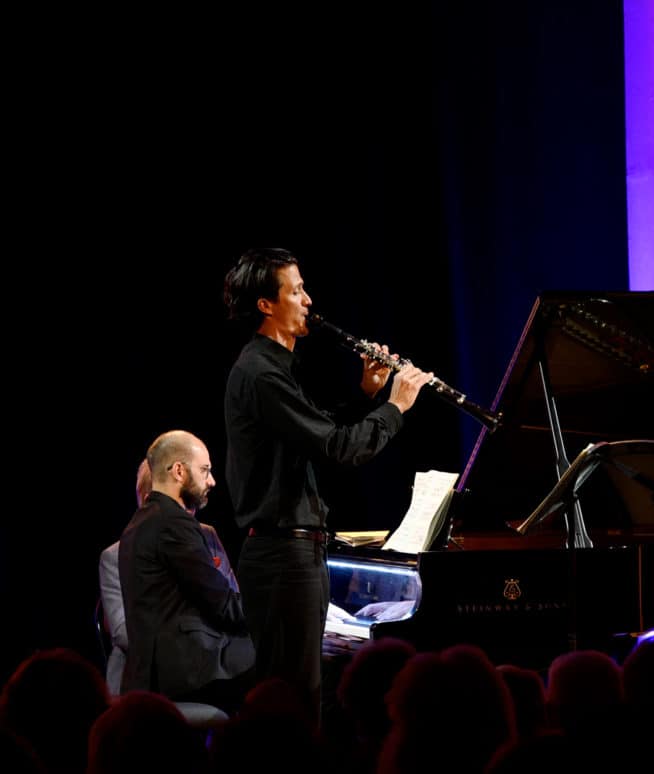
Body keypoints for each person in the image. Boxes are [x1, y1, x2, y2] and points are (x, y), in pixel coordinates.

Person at [221, 247, 429, 720]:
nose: (308, 300)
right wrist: (395, 407)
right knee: (293, 702)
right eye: (296, 290)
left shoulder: (277, 370)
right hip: (281, 557)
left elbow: (322, 436)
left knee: (303, 695)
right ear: (266, 305)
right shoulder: (260, 373)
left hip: (295, 554)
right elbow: (340, 449)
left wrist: (367, 395)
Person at [119, 430, 255, 711]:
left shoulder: (140, 522)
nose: (212, 481)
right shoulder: (173, 524)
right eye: (204, 470)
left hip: (151, 673)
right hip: (181, 673)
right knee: (281, 657)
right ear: (179, 471)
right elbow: (223, 605)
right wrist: (274, 610)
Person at [100, 458, 240, 695]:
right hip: (150, 676)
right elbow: (127, 633)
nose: (188, 516)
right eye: (180, 503)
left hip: (210, 661)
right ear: (149, 502)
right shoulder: (114, 556)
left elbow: (232, 601)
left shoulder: (208, 538)